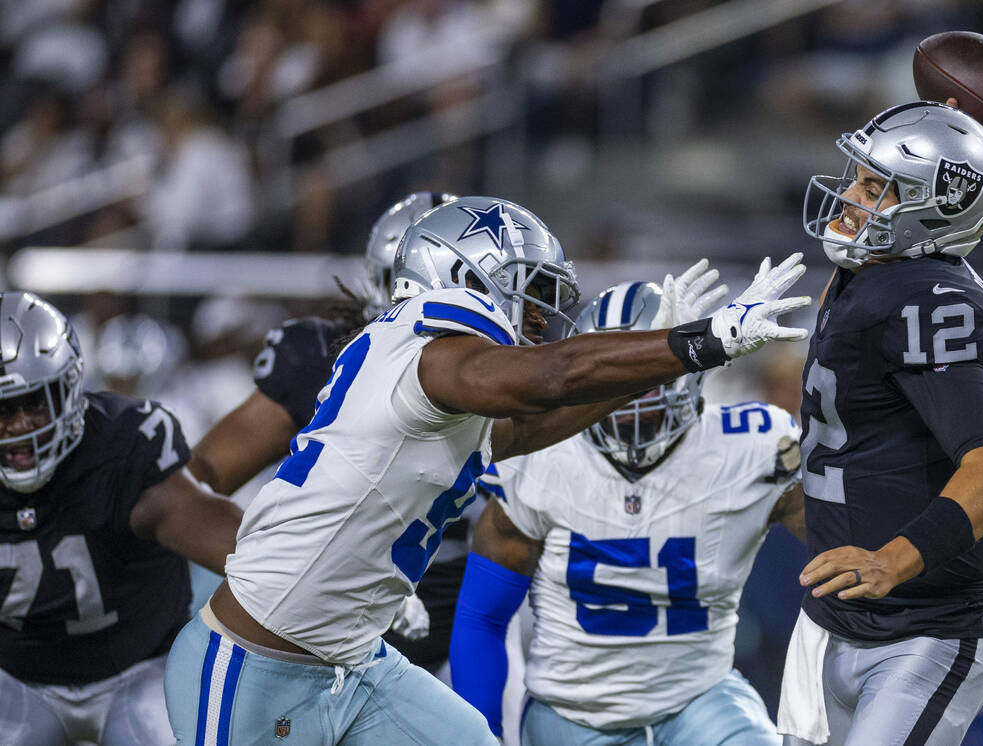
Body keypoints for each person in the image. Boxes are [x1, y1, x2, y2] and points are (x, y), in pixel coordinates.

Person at [163, 196, 811, 744]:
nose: (541, 320)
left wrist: (662, 364)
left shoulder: (433, 381)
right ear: (463, 279)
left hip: (354, 659)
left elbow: (535, 421)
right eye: (531, 296)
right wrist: (701, 341)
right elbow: (548, 379)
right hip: (255, 659)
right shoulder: (429, 339)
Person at [449, 280, 807, 744]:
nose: (632, 397)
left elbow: (844, 549)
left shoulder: (753, 445)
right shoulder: (540, 455)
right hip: (573, 713)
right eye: (617, 376)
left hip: (700, 700)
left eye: (645, 376)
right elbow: (483, 617)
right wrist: (484, 734)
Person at [778, 102, 983, 746]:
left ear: (927, 211)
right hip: (834, 621)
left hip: (927, 626)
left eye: (873, 187)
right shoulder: (869, 276)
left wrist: (892, 560)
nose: (849, 196)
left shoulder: (927, 297)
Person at [187, 191, 461, 669]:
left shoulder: (515, 376)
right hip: (344, 599)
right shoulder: (322, 357)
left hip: (479, 591)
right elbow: (198, 479)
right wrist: (285, 566)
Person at [0, 292, 243, 746]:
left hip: (139, 672)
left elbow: (236, 546)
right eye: (1, 410)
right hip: (17, 680)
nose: (17, 426)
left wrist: (330, 580)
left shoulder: (123, 449)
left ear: (70, 390)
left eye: (33, 403)